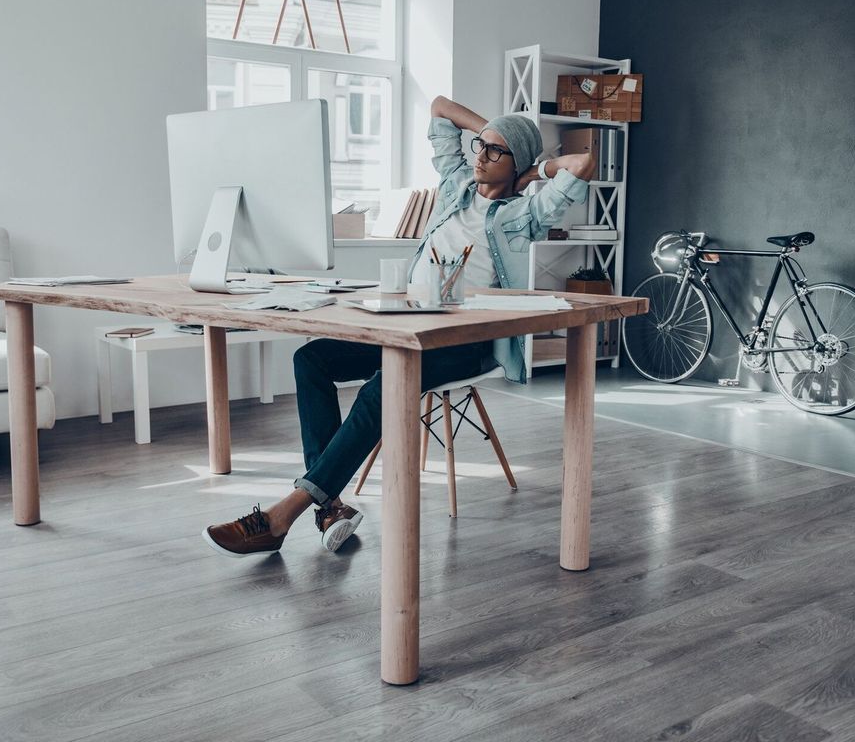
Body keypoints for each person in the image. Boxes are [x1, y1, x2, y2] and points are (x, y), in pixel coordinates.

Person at [202, 95, 596, 557]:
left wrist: (533, 173)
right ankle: (330, 506)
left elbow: (583, 162)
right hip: (407, 320)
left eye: (495, 152)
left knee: (384, 384)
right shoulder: (454, 188)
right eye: (479, 146)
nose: (480, 157)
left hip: (465, 338)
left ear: (517, 163)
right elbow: (439, 107)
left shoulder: (521, 215)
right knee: (311, 358)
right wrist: (498, 133)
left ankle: (281, 516)